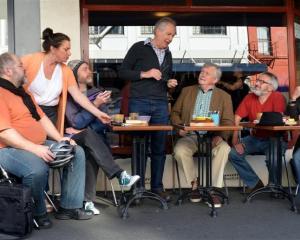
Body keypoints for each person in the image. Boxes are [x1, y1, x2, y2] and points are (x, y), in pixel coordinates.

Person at [0, 52, 93, 229]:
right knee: (36, 168)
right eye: (20, 65)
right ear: (8, 70)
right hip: (7, 149)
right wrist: (35, 149)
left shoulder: (23, 93)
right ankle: (37, 212)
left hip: (36, 145)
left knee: (76, 152)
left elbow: (42, 118)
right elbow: (4, 132)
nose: (24, 68)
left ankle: (69, 207)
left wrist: (61, 139)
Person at [65, 60, 140, 215]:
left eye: (90, 69)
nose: (90, 72)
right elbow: (76, 122)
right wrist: (96, 106)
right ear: (73, 74)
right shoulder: (68, 97)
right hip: (73, 140)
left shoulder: (97, 93)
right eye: (85, 69)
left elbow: (104, 123)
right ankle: (120, 175)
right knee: (88, 138)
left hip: (95, 142)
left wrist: (86, 126)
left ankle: (87, 202)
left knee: (90, 148)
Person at [118, 17, 178, 201]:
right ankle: (137, 188)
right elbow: (122, 72)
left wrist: (170, 83)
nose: (170, 38)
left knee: (160, 146)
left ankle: (157, 187)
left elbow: (165, 77)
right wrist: (146, 73)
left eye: (173, 35)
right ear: (157, 31)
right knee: (139, 146)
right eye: (168, 34)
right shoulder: (139, 47)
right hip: (139, 102)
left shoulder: (168, 53)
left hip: (160, 102)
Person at [21, 28, 111, 134]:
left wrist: (98, 113)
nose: (69, 53)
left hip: (51, 114)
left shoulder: (65, 70)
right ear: (53, 48)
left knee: (51, 147)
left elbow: (78, 96)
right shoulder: (29, 60)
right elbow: (9, 80)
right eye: (66, 49)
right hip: (28, 111)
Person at [171, 63, 234, 208]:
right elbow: (174, 113)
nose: (202, 74)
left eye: (207, 73)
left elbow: (228, 121)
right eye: (201, 72)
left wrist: (221, 136)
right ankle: (195, 185)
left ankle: (212, 189)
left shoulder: (224, 96)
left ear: (215, 79)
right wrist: (180, 127)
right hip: (191, 136)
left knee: (224, 149)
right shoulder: (187, 91)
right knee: (180, 151)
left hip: (212, 136)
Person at [229, 72, 286, 193]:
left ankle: (275, 187)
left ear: (270, 87)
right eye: (257, 80)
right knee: (233, 153)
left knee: (273, 158)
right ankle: (255, 184)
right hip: (254, 138)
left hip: (274, 139)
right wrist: (235, 140)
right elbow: (237, 117)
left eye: (261, 81)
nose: (257, 83)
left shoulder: (277, 97)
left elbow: (277, 119)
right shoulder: (250, 97)